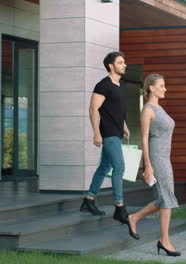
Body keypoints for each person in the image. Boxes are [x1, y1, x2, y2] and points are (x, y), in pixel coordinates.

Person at [79, 51, 138, 239]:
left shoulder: (120, 85)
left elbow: (117, 109)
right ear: (111, 66)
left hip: (116, 131)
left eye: (124, 61)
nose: (125, 65)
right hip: (107, 133)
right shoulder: (103, 85)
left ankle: (89, 199)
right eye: (121, 62)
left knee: (104, 167)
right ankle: (119, 207)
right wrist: (96, 132)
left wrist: (125, 125)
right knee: (119, 167)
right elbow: (93, 108)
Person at [128, 73, 182, 256]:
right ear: (151, 87)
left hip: (165, 158)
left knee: (165, 198)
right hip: (157, 159)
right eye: (161, 85)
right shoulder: (148, 110)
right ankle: (164, 240)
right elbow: (144, 140)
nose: (165, 88)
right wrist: (147, 165)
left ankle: (134, 218)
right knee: (166, 198)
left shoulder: (160, 109)